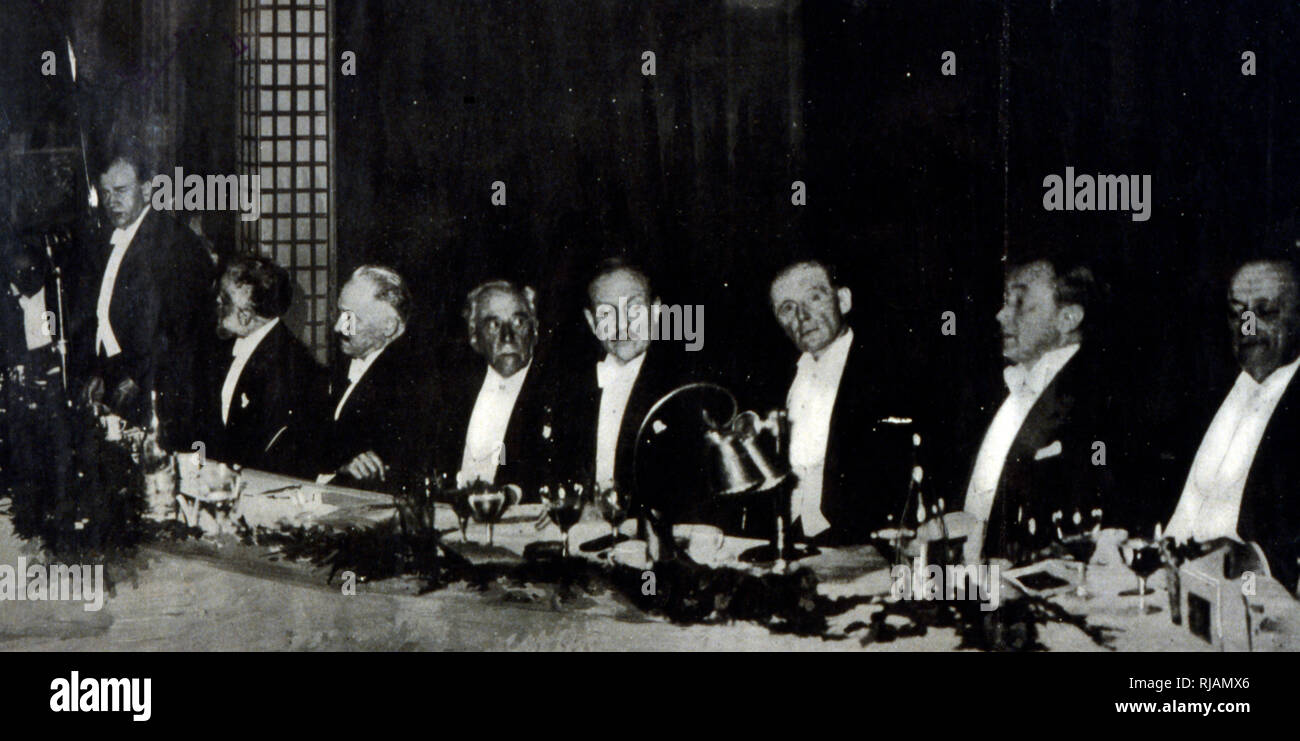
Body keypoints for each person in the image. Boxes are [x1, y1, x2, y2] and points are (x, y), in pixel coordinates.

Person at [958, 256, 1114, 561]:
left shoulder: (1095, 402)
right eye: (1005, 301)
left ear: (1068, 318)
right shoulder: (1003, 387)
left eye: (1019, 301)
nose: (1002, 315)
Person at [1164, 255, 1300, 592]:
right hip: (1163, 582)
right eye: (1236, 312)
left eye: (1265, 312)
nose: (1247, 326)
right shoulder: (1202, 391)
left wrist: (1255, 557)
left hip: (1250, 599)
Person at [763, 259, 913, 546]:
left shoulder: (890, 370)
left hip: (860, 544)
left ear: (843, 300)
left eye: (814, 297)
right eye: (787, 307)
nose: (802, 316)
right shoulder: (775, 381)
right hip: (790, 540)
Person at [78, 137, 216, 447]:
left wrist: (138, 378)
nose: (112, 202)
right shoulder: (108, 237)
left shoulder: (176, 245)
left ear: (147, 189)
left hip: (161, 390)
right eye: (106, 193)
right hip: (119, 378)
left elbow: (183, 332)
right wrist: (100, 370)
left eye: (122, 191)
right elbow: (103, 315)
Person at [204, 255, 326, 475]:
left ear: (246, 316)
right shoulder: (227, 344)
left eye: (224, 299)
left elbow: (263, 451)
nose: (217, 303)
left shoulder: (290, 366)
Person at [318, 265, 434, 490]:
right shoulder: (347, 359)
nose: (339, 326)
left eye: (351, 318)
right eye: (341, 313)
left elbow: (392, 471)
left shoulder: (411, 382)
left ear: (388, 327)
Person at [436, 280, 556, 497]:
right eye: (494, 325)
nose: (507, 336)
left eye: (518, 322)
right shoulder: (451, 386)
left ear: (535, 330)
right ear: (474, 337)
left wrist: (512, 494)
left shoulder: (556, 392)